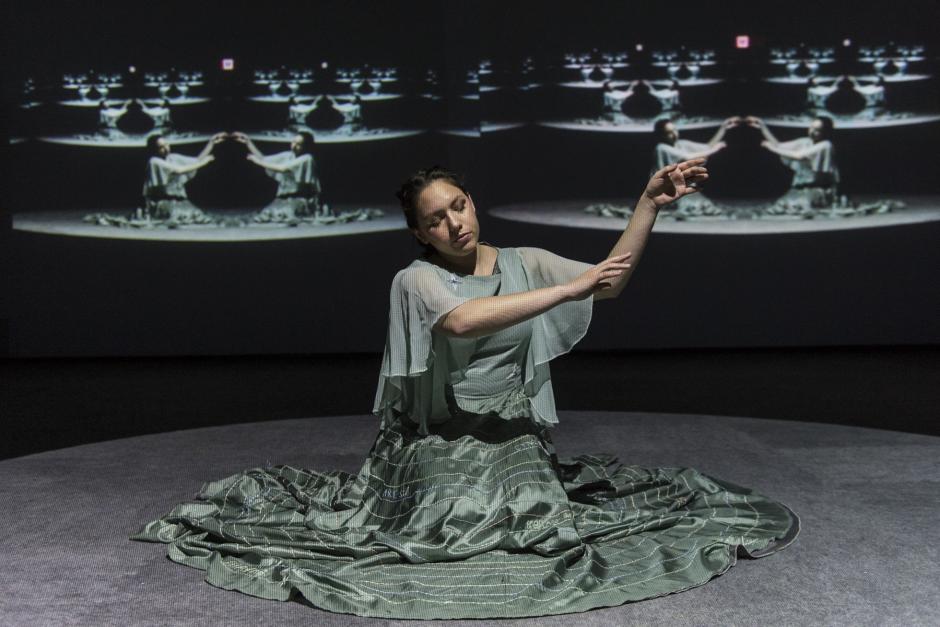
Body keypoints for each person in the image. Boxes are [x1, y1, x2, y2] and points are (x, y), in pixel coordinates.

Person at [131, 163, 800, 619]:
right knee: (442, 529)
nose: (455, 222)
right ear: (420, 233)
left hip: (510, 437)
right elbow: (460, 320)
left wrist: (648, 204)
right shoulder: (415, 280)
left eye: (460, 204)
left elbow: (611, 279)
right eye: (437, 217)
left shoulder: (524, 264)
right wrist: (570, 286)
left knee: (535, 523)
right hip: (435, 439)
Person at [747, 115, 839, 215]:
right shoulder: (805, 141)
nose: (812, 131)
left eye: (817, 130)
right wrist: (762, 127)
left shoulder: (826, 145)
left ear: (825, 132)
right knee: (781, 205)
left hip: (821, 189)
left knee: (798, 207)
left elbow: (798, 156)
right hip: (803, 188)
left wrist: (770, 148)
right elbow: (779, 145)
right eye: (811, 127)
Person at [233, 131, 324, 222]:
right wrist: (248, 142)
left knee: (283, 215)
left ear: (306, 146)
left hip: (302, 199)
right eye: (293, 142)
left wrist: (257, 162)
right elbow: (265, 159)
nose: (294, 146)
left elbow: (282, 168)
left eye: (299, 144)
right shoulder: (289, 155)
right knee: (266, 214)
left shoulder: (307, 158)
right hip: (286, 198)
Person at [141, 132, 224, 223]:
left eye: (166, 144)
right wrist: (204, 163)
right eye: (161, 147)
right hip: (160, 202)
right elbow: (179, 170)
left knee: (197, 215)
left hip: (175, 200)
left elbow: (196, 161)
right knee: (181, 217)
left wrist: (211, 143)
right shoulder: (154, 161)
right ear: (154, 150)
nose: (166, 148)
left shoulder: (172, 158)